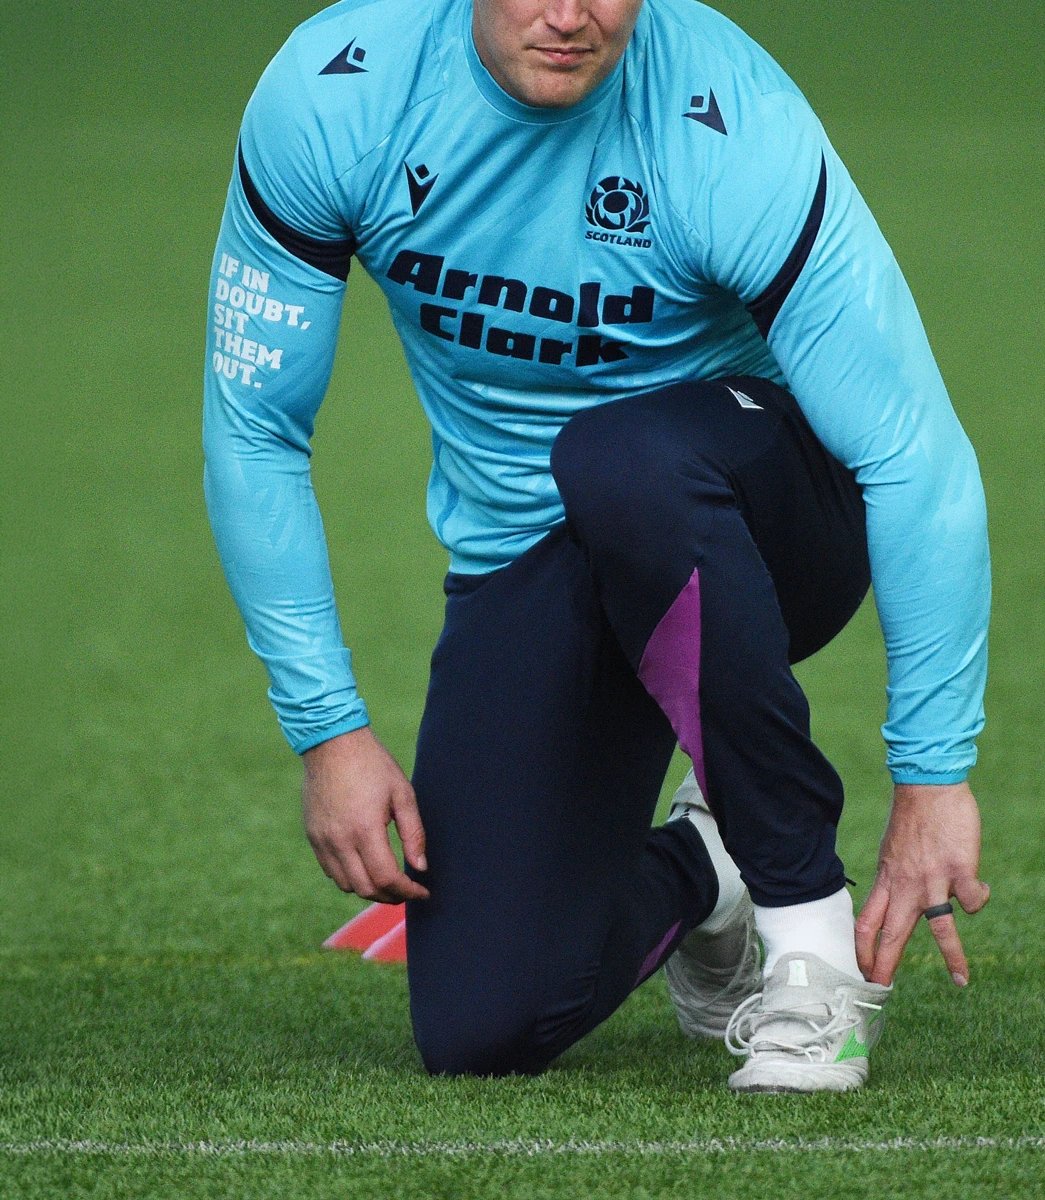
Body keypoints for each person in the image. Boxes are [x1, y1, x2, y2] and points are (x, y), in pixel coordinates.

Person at [203, 0, 992, 1092]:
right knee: (482, 1025)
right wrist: (328, 728)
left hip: (767, 520)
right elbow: (255, 427)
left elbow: (911, 451)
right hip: (539, 552)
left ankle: (810, 956)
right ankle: (699, 867)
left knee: (622, 459)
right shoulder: (341, 97)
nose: (570, 16)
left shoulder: (727, 120)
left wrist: (934, 775)